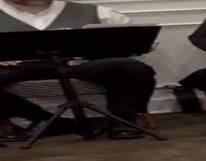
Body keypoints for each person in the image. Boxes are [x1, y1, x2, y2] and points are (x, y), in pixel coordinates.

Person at [0, 0, 155, 140]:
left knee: (132, 68)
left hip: (77, 65)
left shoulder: (95, 11)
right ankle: (50, 121)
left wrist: (97, 53)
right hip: (17, 67)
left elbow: (138, 40)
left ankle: (123, 120)